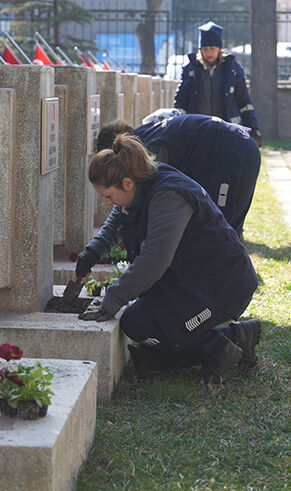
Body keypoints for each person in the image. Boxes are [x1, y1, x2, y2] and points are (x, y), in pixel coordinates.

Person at [76, 133, 260, 384]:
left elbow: (155, 259)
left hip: (222, 285)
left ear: (127, 183)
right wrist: (93, 252)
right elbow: (119, 216)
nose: (109, 203)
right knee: (139, 323)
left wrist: (112, 299)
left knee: (146, 327)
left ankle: (219, 349)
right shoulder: (143, 180)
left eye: (108, 196)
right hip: (192, 279)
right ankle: (237, 336)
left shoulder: (168, 196)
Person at [94, 114, 260, 237]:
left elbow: (158, 200)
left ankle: (233, 278)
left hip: (235, 154)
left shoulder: (151, 150)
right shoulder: (143, 139)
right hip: (236, 148)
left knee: (222, 227)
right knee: (218, 228)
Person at [174, 21, 262, 147]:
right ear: (200, 50)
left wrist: (253, 127)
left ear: (219, 49)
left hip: (227, 128)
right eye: (205, 49)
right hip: (197, 128)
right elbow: (180, 100)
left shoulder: (233, 70)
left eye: (212, 49)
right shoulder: (190, 70)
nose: (209, 53)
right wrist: (177, 124)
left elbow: (244, 101)